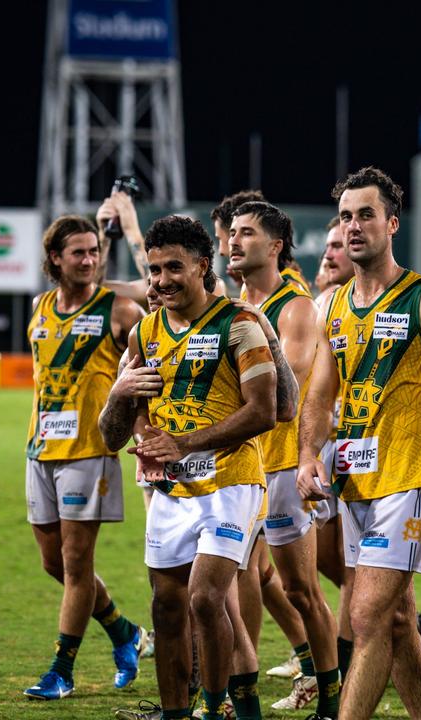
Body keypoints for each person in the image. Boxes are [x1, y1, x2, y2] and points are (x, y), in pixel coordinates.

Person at [296, 166, 421, 720]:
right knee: (397, 620)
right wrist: (308, 455)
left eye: (366, 215)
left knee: (368, 614)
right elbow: (319, 397)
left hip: (409, 479)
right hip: (355, 484)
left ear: (392, 223)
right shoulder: (331, 307)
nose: (354, 227)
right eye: (347, 217)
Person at [99, 214, 277, 720]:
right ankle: (177, 713)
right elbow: (117, 432)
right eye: (154, 270)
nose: (161, 281)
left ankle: (216, 706)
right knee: (166, 606)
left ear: (203, 266)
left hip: (231, 483)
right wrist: (124, 406)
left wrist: (183, 442)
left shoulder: (239, 324)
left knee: (205, 599)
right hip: (172, 493)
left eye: (173, 267)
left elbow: (264, 410)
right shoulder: (144, 335)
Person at [22, 215, 148, 701]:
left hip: (90, 452)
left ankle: (62, 669)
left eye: (95, 251)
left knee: (76, 566)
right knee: (54, 564)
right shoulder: (39, 307)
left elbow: (148, 373)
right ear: (55, 258)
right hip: (39, 449)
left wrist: (139, 428)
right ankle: (124, 632)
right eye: (78, 252)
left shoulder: (119, 310)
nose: (90, 259)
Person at [228, 200, 341, 716]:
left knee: (301, 589)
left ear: (274, 247)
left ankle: (329, 688)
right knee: (236, 576)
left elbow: (284, 393)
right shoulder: (234, 306)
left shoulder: (295, 307)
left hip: (279, 467)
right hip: (240, 466)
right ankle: (236, 688)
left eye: (246, 233)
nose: (232, 241)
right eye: (231, 232)